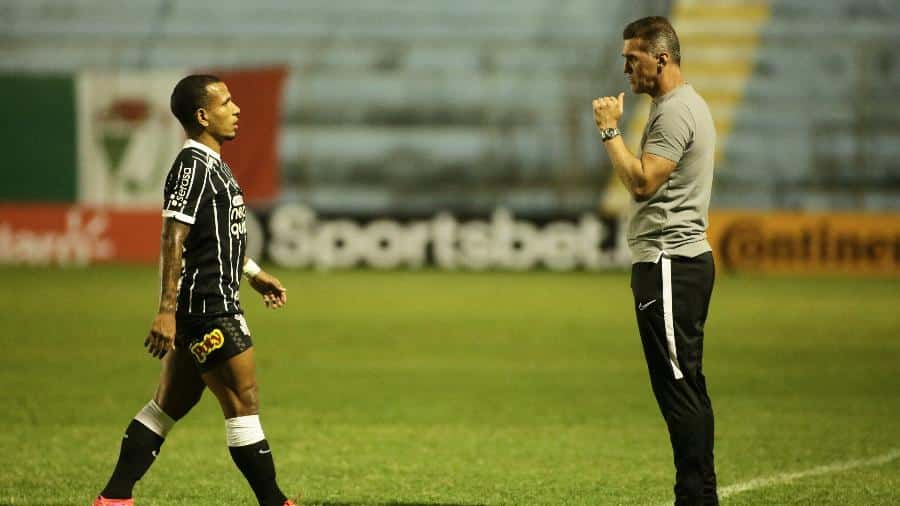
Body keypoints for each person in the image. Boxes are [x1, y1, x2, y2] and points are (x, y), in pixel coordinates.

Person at [94, 75, 295, 506]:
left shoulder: (212, 162)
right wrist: (166, 310)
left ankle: (114, 497)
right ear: (203, 115)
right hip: (209, 309)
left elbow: (216, 237)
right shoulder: (192, 165)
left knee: (166, 406)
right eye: (226, 102)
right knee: (244, 404)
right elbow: (173, 237)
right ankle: (275, 503)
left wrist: (254, 273)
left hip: (204, 304)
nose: (236, 108)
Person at [592, 16, 719, 506]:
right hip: (679, 261)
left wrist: (610, 134)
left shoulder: (673, 112)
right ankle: (700, 493)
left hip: (670, 260)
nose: (626, 69)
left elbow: (644, 182)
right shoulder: (684, 105)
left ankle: (694, 496)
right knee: (686, 381)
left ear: (660, 58)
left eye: (633, 58)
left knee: (679, 387)